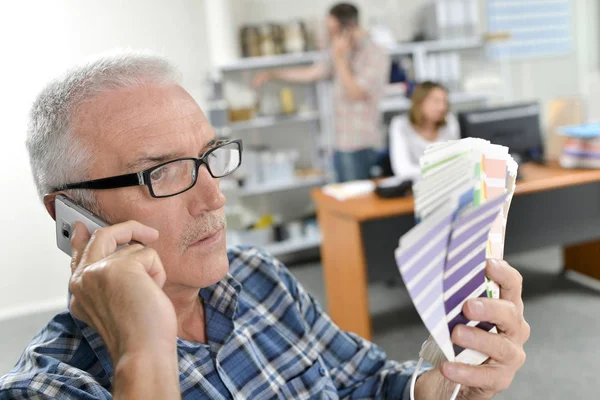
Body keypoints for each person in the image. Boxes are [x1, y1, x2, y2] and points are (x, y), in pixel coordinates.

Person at [0, 52, 529, 399]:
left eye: (210, 157)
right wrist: (142, 353)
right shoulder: (45, 389)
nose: (213, 196)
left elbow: (364, 383)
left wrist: (444, 388)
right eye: (163, 172)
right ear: (72, 218)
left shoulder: (256, 278)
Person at [252, 3, 389, 183]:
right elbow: (312, 73)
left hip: (362, 144)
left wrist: (339, 58)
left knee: (359, 203)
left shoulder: (375, 53)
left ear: (348, 28)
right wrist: (273, 74)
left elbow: (355, 92)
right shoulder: (341, 52)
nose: (329, 34)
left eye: (331, 29)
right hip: (340, 143)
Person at [390, 81, 460, 182]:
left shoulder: (450, 122)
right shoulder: (400, 125)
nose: (442, 107)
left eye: (445, 102)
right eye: (436, 101)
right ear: (420, 102)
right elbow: (403, 170)